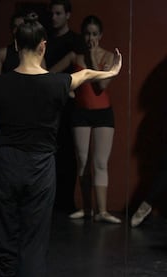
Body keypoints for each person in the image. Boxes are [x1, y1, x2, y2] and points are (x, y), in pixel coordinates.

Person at [0, 14, 122, 276]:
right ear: (43, 46)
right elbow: (85, 76)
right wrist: (111, 71)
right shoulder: (58, 83)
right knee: (35, 238)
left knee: (5, 234)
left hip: (6, 164)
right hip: (40, 167)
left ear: (16, 46)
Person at [51, 15, 121, 223]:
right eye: (87, 34)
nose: (90, 38)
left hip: (103, 113)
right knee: (82, 161)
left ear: (100, 36)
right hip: (81, 113)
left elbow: (102, 87)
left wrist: (92, 58)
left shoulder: (108, 57)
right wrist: (68, 92)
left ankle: (103, 211)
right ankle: (87, 208)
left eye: (94, 34)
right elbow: (52, 74)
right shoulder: (75, 56)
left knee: (100, 162)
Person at [44, 0, 84, 213]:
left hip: (69, 105)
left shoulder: (75, 41)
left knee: (68, 154)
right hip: (50, 104)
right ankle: (51, 202)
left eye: (59, 13)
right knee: (50, 152)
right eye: (52, 13)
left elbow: (80, 72)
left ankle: (66, 202)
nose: (54, 17)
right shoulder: (46, 41)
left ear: (68, 15)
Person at [0, 11, 25, 75]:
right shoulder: (2, 54)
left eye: (21, 27)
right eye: (15, 27)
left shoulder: (35, 54)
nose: (18, 30)